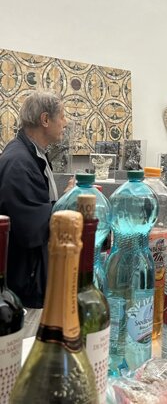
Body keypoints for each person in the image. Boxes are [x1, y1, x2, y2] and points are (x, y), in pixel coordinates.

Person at [0, 90, 72, 314]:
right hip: (25, 286)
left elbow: (37, 206)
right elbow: (31, 228)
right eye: (62, 116)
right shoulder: (19, 162)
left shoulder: (32, 154)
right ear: (45, 119)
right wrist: (69, 201)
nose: (65, 122)